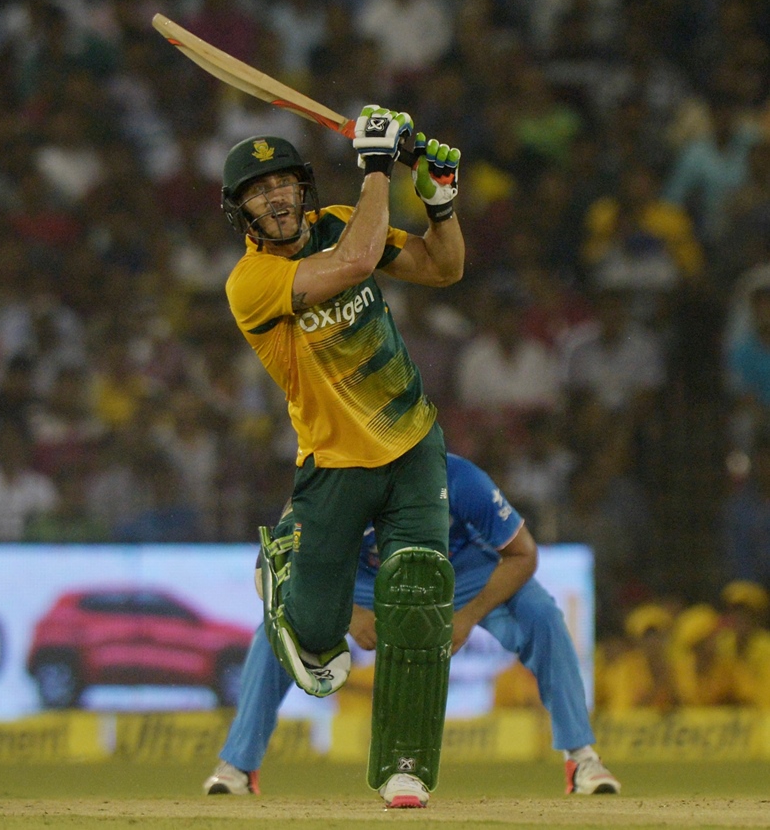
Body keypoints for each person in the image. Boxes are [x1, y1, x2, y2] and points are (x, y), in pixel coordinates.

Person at [219, 108, 464, 808]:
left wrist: (441, 203)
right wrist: (381, 169)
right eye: (260, 192)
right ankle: (283, 579)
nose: (278, 199)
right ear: (240, 213)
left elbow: (444, 269)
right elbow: (354, 264)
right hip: (333, 464)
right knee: (321, 655)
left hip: (414, 442)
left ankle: (405, 766)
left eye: (286, 183)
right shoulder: (251, 284)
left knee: (419, 596)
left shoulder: (336, 221)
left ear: (302, 187)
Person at [201, 454, 622, 799]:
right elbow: (276, 570)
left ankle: (581, 758)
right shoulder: (331, 480)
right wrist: (346, 613)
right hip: (358, 582)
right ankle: (239, 765)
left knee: (543, 617)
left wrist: (466, 617)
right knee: (276, 632)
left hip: (456, 574)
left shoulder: (458, 478)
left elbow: (523, 554)